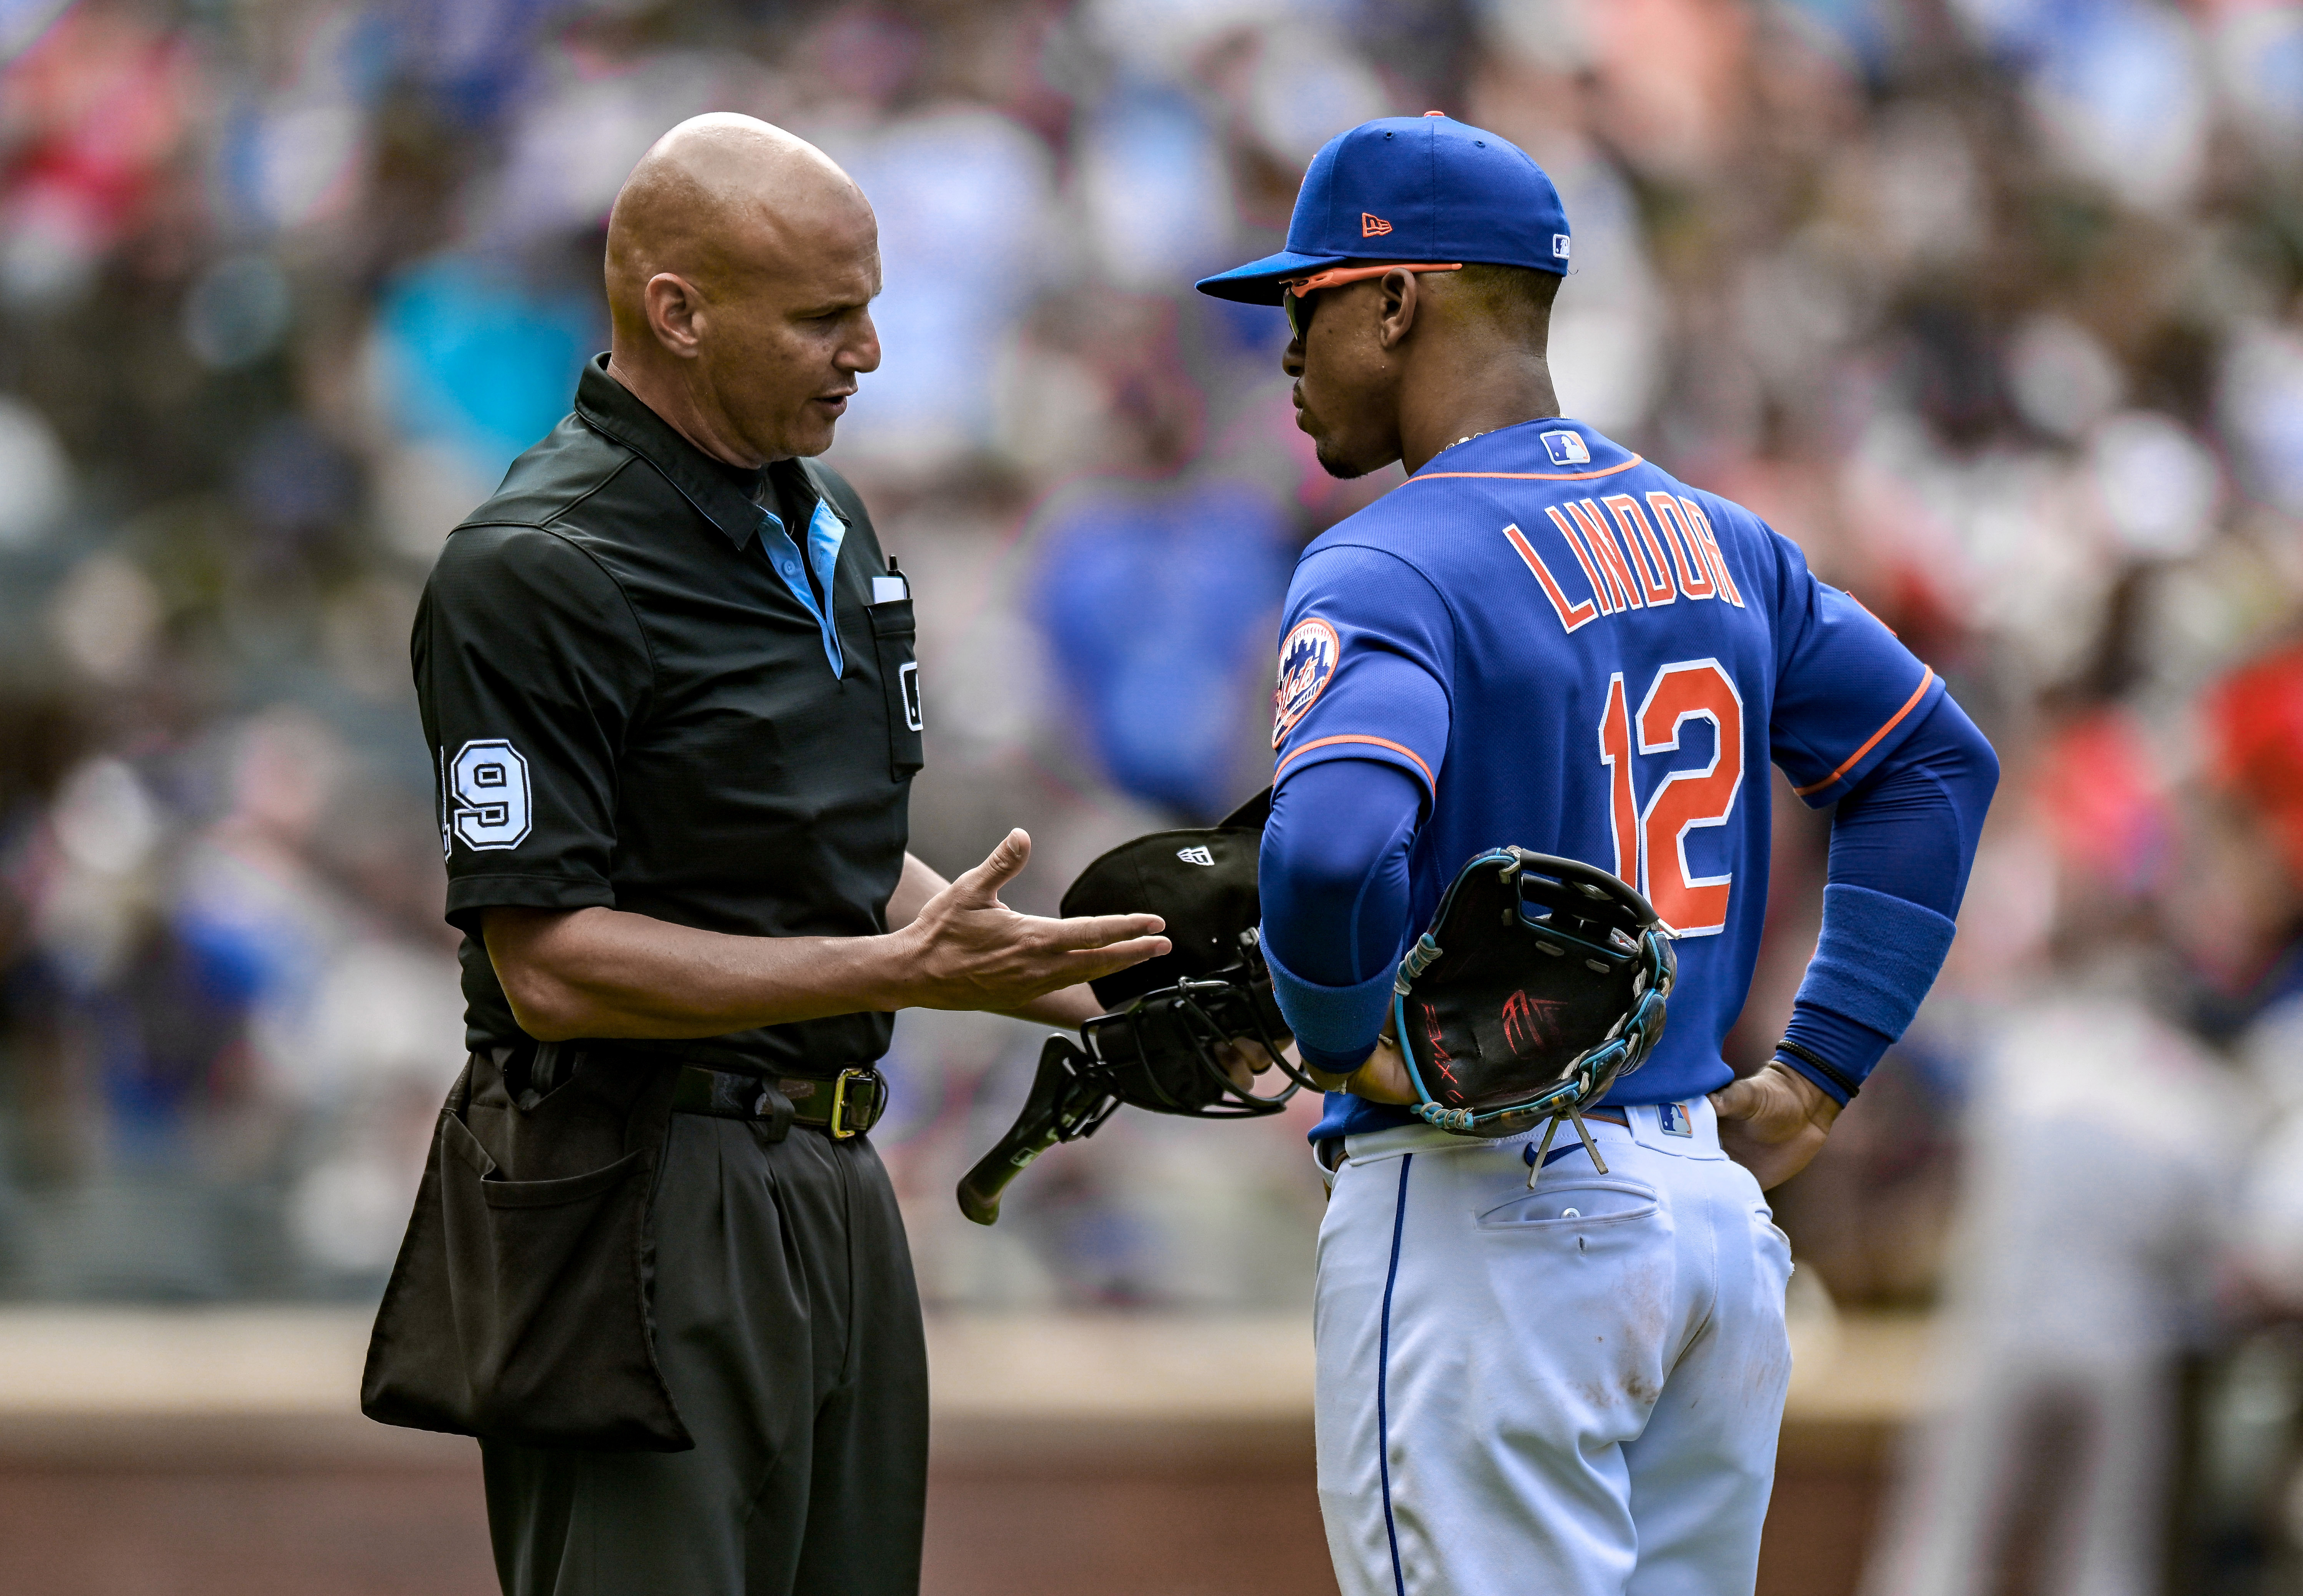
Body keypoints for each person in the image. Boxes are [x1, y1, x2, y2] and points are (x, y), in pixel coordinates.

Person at [1192, 114, 1999, 1594]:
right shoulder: (1721, 541)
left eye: (1305, 307)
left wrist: (1333, 1036)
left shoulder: (1391, 560)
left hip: (1491, 1216)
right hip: (1706, 1222)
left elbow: (1329, 850)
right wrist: (1818, 1068)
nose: (1287, 355)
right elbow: (1936, 765)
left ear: (1398, 298)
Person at [410, 114, 1167, 1596]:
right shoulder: (535, 567)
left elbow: (833, 859)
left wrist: (1101, 988)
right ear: (677, 312)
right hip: (636, 1191)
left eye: (871, 305)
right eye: (827, 315)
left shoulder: (822, 520)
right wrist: (903, 969)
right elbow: (547, 964)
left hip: (832, 1173)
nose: (872, 352)